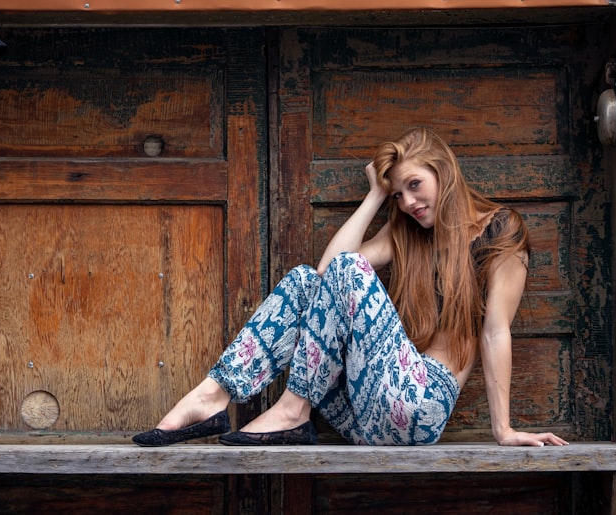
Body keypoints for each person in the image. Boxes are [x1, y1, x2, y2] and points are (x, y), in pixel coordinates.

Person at [133, 127, 569, 447]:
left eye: (414, 185)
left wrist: (504, 430)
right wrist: (376, 196)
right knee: (306, 280)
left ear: (444, 171)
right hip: (360, 415)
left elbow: (495, 331)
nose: (409, 203)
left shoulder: (501, 231)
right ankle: (213, 396)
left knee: (345, 271)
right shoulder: (408, 237)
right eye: (399, 195)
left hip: (419, 405)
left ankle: (291, 411)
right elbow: (326, 273)